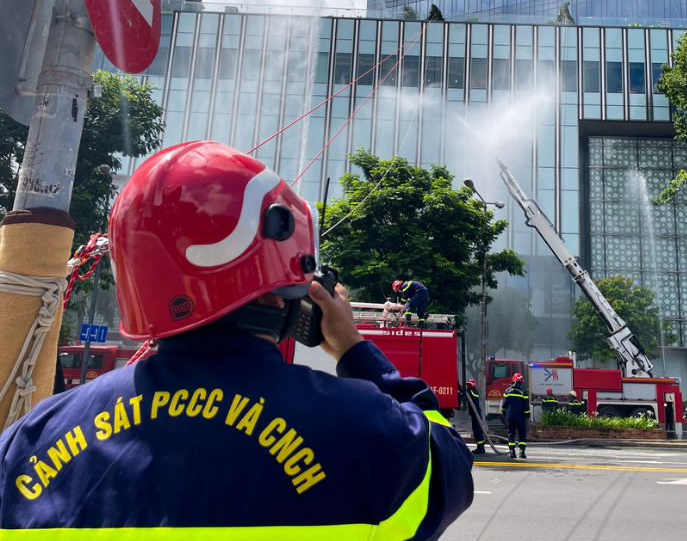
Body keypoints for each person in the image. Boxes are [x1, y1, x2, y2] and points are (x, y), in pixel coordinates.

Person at [0, 142, 474, 536]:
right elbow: (449, 461)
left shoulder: (30, 440)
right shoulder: (365, 430)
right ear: (288, 293)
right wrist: (354, 347)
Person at [500, 374, 530, 459]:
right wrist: (527, 414)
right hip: (520, 415)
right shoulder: (523, 392)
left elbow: (504, 403)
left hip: (510, 415)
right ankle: (522, 452)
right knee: (522, 432)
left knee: (511, 433)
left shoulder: (507, 391)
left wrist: (503, 411)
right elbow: (526, 405)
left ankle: (512, 452)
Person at [466, 379, 485, 455]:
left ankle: (480, 447)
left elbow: (470, 395)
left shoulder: (474, 392)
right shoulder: (470, 392)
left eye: (469, 385)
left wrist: (463, 390)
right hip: (475, 413)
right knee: (478, 430)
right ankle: (481, 447)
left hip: (476, 413)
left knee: (477, 430)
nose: (468, 386)